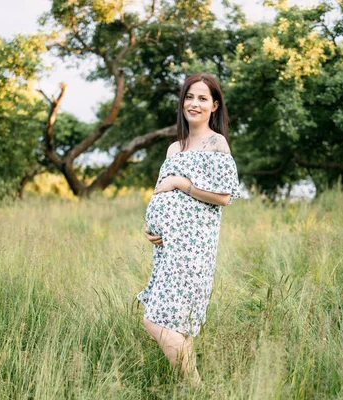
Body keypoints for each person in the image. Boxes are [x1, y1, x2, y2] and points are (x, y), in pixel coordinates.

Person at [136, 73, 240, 384]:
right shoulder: (173, 148)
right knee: (177, 324)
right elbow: (160, 193)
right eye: (189, 97)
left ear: (214, 105)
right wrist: (150, 226)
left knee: (154, 321)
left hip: (193, 249)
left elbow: (223, 196)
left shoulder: (215, 142)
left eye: (202, 98)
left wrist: (183, 184)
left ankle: (196, 387)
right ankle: (194, 389)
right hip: (167, 249)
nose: (194, 103)